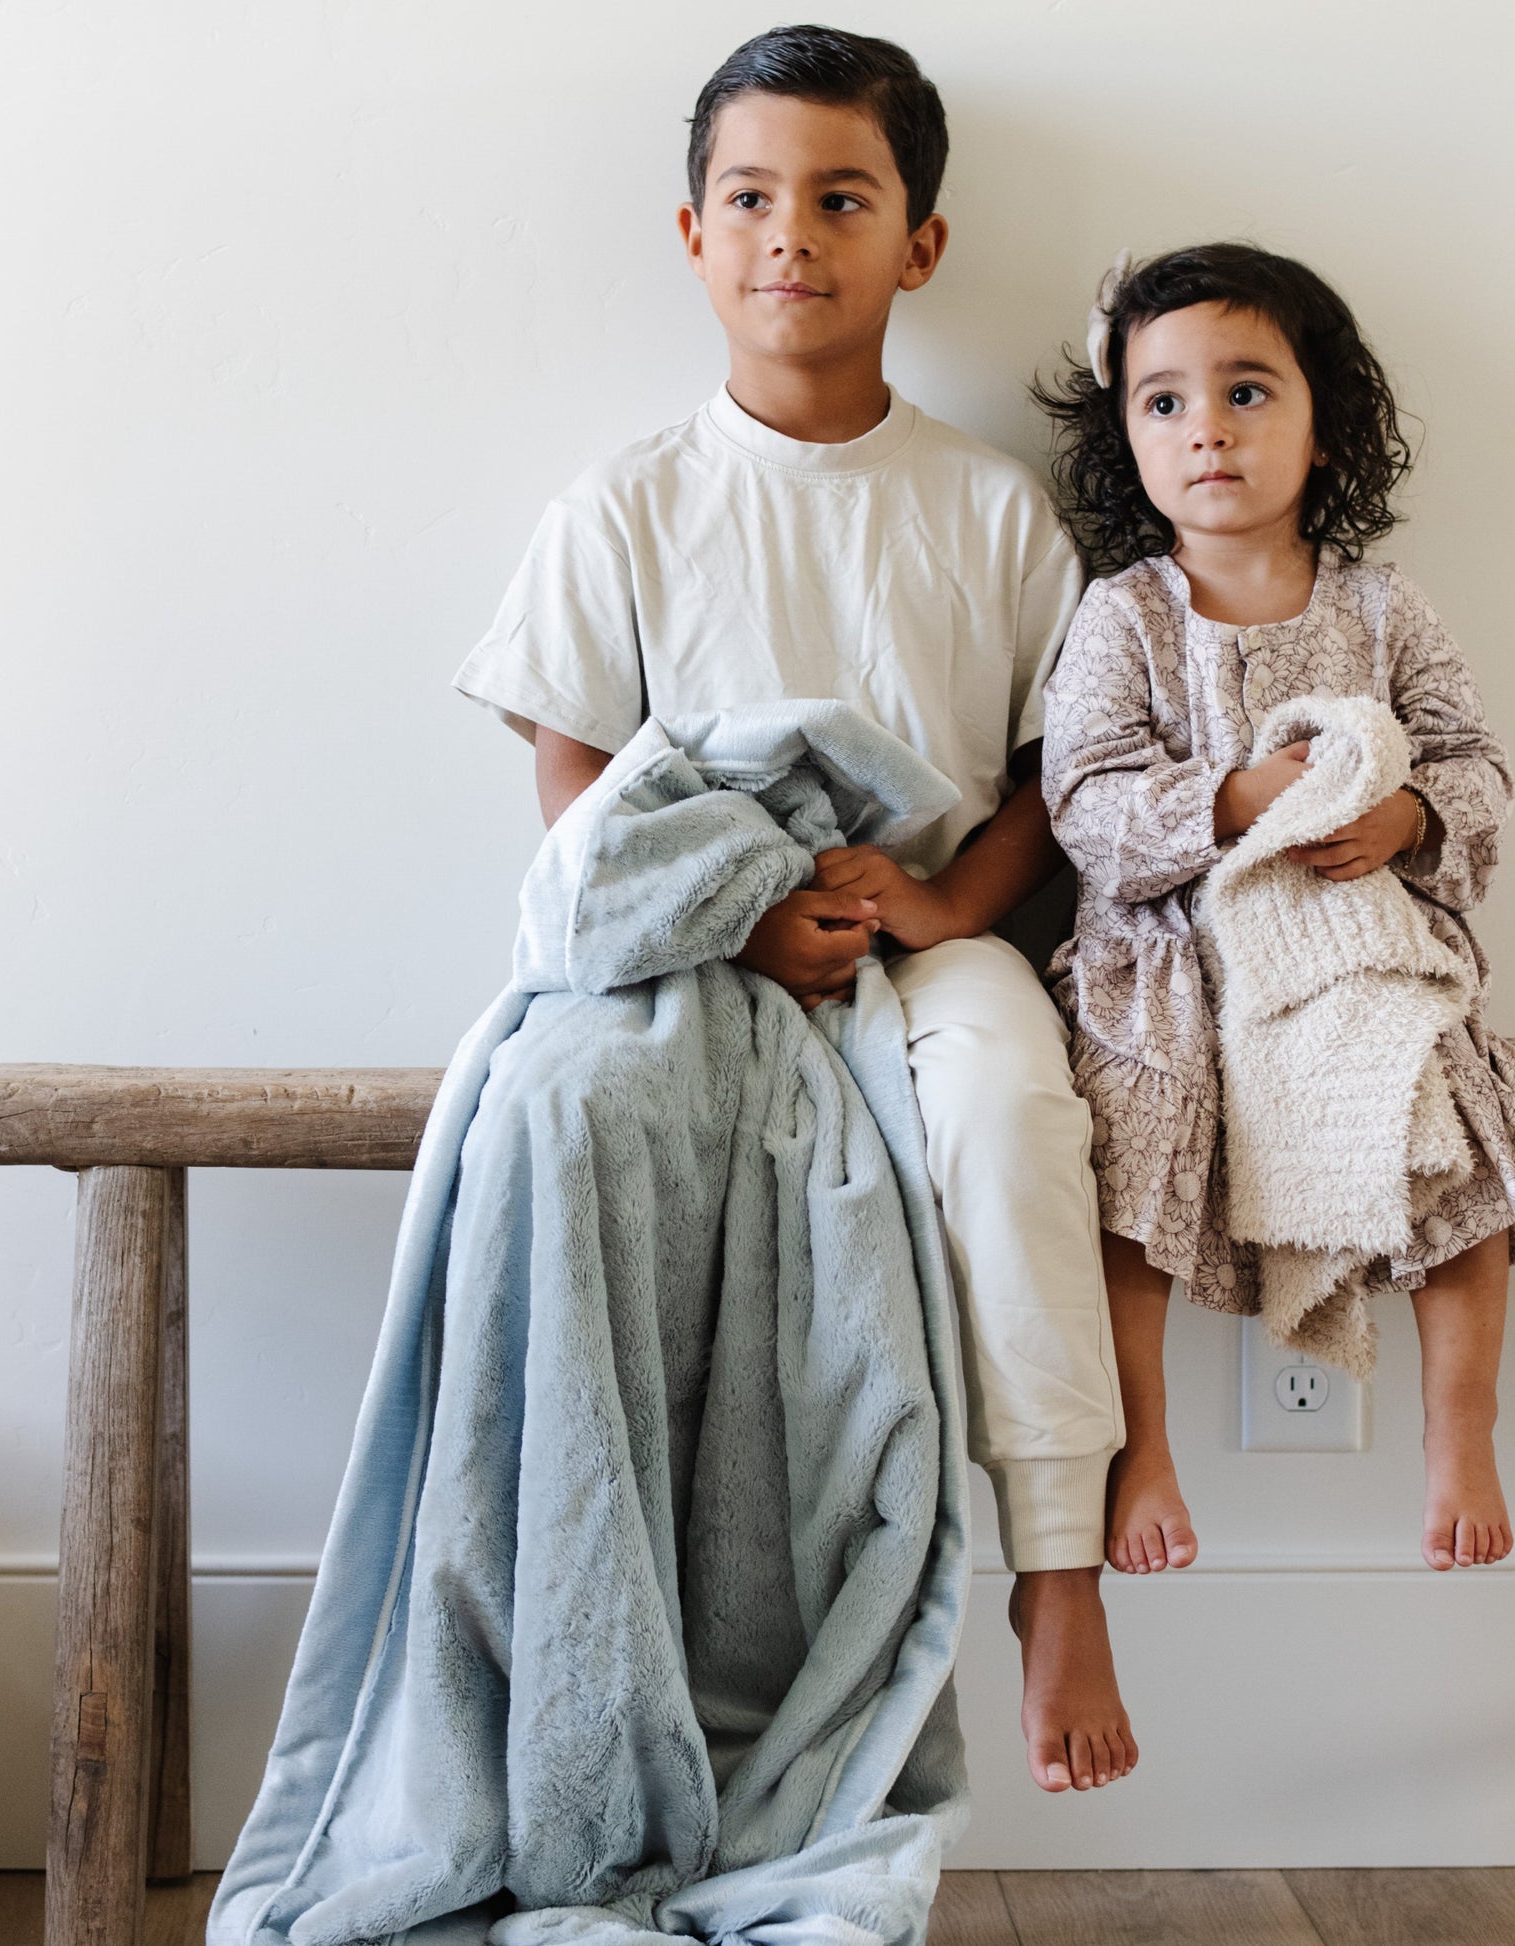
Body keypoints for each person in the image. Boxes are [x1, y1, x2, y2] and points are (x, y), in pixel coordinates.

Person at [455, 25, 1135, 1794]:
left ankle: (1056, 1567)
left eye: (840, 199)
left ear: (917, 243)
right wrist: (738, 915)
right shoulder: (623, 506)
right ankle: (617, 1630)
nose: (788, 237)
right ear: (691, 235)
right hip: (695, 948)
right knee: (577, 1118)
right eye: (748, 199)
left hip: (935, 945)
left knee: (1007, 1107)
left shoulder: (986, 512)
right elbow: (577, 796)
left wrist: (927, 910)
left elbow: (1048, 789)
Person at [1034, 242, 1515, 1579]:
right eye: (1162, 401)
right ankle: (1140, 1440)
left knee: (1457, 1119)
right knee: (1125, 1137)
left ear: (1324, 429)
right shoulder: (1124, 617)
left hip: (1354, 952)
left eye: (1244, 391)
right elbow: (1084, 795)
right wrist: (1232, 798)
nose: (1205, 429)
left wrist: (1407, 818)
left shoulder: (1382, 610)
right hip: (1176, 960)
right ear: (1125, 439)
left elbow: (1474, 763)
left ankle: (1458, 1423)